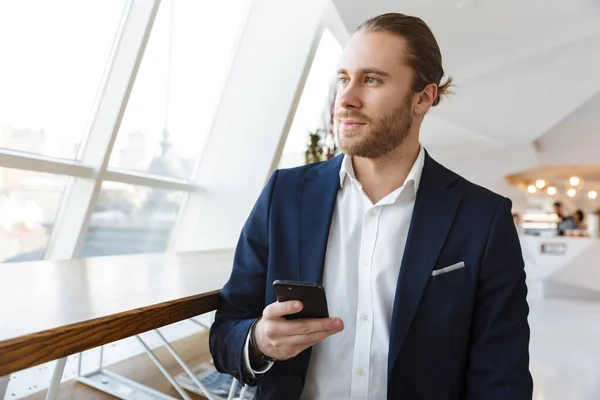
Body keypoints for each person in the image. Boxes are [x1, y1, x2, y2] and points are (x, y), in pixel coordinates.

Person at [209, 12, 533, 400]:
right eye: (344, 78)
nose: (345, 99)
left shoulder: (483, 219)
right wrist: (260, 341)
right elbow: (226, 331)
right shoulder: (285, 194)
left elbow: (501, 377)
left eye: (371, 79)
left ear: (423, 97)